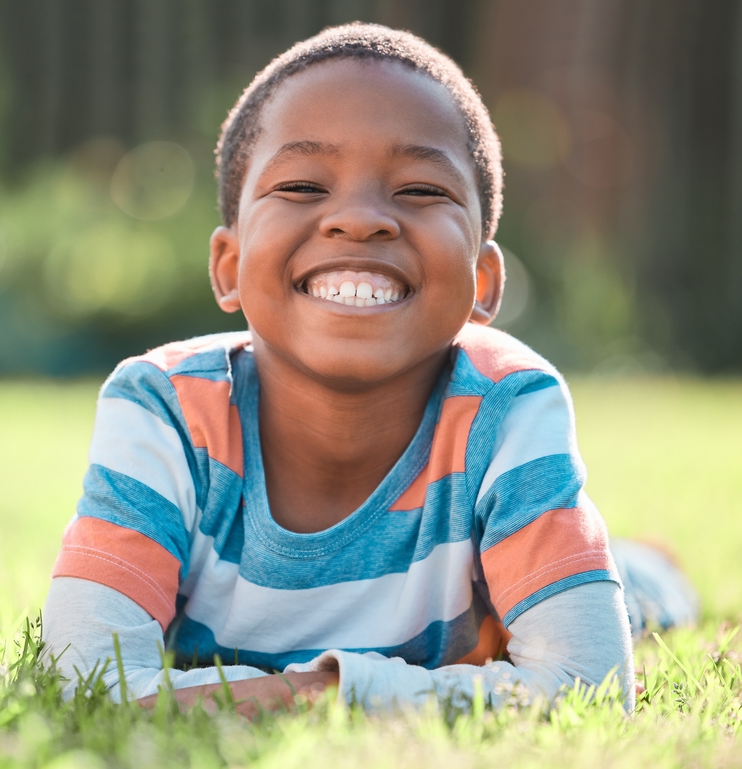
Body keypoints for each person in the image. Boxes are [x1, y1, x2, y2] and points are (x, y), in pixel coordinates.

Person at [41, 23, 697, 715]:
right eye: (300, 184)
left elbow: (588, 684)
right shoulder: (164, 413)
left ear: (483, 279)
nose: (359, 219)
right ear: (228, 267)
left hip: (511, 590)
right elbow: (83, 681)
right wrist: (325, 693)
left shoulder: (507, 405)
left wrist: (323, 693)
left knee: (640, 599)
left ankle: (644, 568)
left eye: (418, 189)